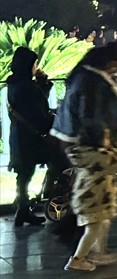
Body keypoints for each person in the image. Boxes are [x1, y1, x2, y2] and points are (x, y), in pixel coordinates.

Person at [51, 43, 117, 271]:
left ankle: (92, 250)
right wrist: (104, 142)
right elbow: (91, 115)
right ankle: (84, 255)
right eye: (116, 65)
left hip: (82, 144)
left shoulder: (84, 76)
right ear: (107, 61)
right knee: (97, 208)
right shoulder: (92, 81)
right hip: (91, 146)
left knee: (97, 208)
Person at [6, 47, 68, 227]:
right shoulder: (27, 86)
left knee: (24, 174)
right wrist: (48, 130)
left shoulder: (14, 83)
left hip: (20, 135)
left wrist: (41, 85)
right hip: (33, 137)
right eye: (34, 64)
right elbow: (38, 111)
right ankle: (47, 196)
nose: (36, 67)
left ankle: (23, 209)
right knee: (57, 161)